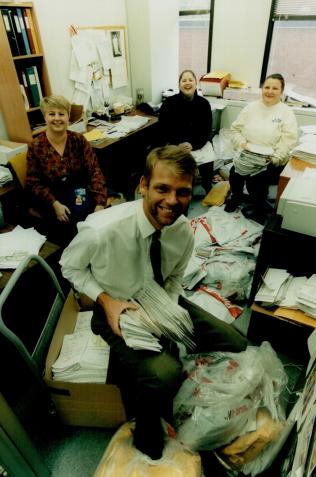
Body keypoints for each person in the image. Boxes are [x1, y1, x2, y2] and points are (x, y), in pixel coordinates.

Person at [60, 144, 247, 461]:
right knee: (164, 374)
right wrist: (105, 301)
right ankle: (147, 435)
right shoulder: (102, 230)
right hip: (117, 308)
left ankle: (193, 401)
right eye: (162, 188)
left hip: (161, 301)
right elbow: (69, 266)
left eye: (183, 192)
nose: (172, 201)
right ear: (143, 186)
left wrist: (169, 310)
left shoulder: (182, 231)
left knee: (236, 342)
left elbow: (174, 277)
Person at [26, 95, 108, 245]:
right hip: (51, 196)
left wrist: (100, 204)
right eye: (52, 114)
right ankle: (73, 259)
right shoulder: (36, 146)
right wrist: (54, 204)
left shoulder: (78, 140)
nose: (57, 118)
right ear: (45, 117)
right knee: (72, 225)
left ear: (68, 117)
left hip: (78, 190)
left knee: (92, 218)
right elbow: (33, 183)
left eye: (61, 114)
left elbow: (94, 171)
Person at [225, 73, 298, 223]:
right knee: (234, 173)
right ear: (262, 89)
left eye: (275, 88)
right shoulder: (250, 108)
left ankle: (259, 207)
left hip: (270, 158)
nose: (270, 91)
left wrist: (274, 158)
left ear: (281, 92)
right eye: (267, 87)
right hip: (247, 153)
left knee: (258, 180)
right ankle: (236, 197)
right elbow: (235, 130)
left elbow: (288, 141)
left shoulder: (286, 112)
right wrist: (242, 144)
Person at [158, 69, 214, 194]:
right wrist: (178, 145)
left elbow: (206, 130)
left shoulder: (204, 104)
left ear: (196, 84)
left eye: (190, 80)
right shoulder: (169, 103)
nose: (187, 83)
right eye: (184, 80)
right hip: (175, 144)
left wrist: (193, 144)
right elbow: (163, 129)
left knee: (208, 156)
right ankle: (181, 191)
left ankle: (207, 185)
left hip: (197, 143)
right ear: (179, 85)